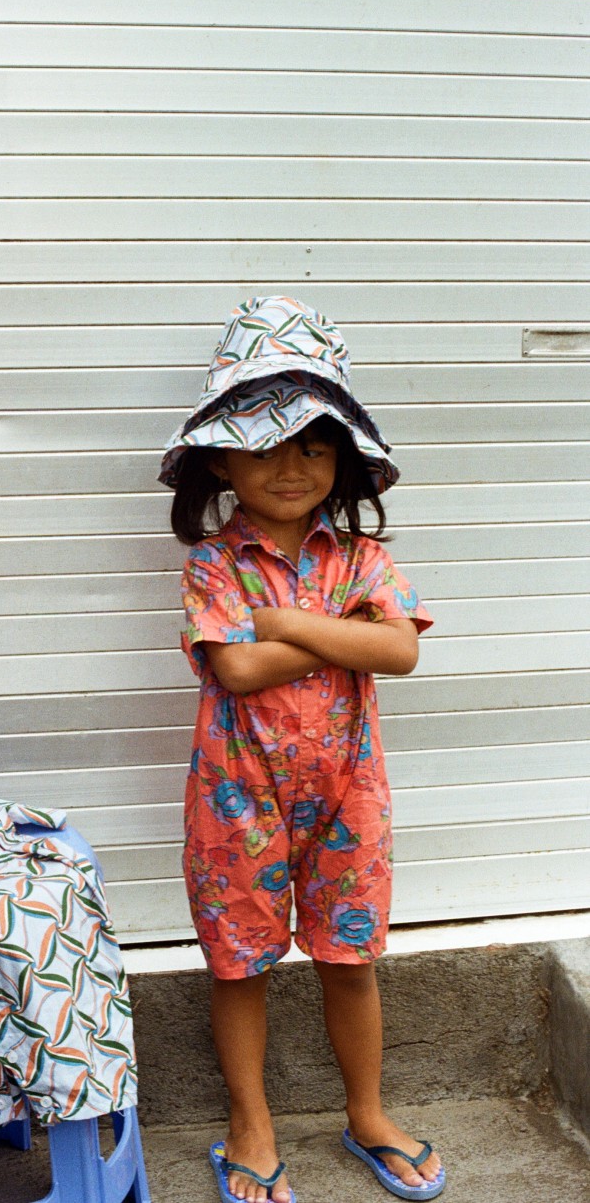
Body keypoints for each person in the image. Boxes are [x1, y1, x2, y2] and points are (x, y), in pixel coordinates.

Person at [159, 297, 446, 1203]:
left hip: (348, 796)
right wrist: (327, 630)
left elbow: (398, 649)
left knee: (350, 956)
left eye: (314, 444)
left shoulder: (363, 557)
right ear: (219, 456)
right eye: (266, 442)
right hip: (236, 798)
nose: (292, 466)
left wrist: (287, 620)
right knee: (240, 962)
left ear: (344, 459)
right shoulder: (215, 566)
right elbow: (238, 669)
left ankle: (367, 1111)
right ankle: (251, 1122)